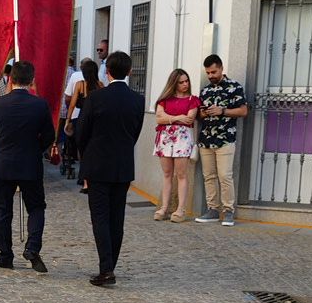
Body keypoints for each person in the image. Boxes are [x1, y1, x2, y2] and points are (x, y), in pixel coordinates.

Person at [75, 52, 145, 287]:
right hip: (123, 165)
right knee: (117, 218)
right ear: (130, 72)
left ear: (108, 72)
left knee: (100, 218)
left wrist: (87, 153)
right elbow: (135, 132)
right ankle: (110, 265)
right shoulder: (137, 100)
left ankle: (106, 268)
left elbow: (82, 132)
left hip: (97, 165)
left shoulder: (96, 98)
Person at [0, 60, 54, 273]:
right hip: (30, 165)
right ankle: (32, 247)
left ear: (11, 79)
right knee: (36, 208)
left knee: (3, 211)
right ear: (32, 81)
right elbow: (49, 136)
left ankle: (5, 254)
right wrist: (35, 148)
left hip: (3, 164)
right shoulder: (40, 105)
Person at [193, 54, 248, 225]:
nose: (211, 76)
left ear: (222, 68)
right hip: (206, 139)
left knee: (225, 176)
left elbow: (243, 111)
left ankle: (229, 211)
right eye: (208, 73)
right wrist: (203, 113)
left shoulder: (235, 87)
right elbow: (199, 115)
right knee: (208, 176)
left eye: (213, 72)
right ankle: (212, 210)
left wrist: (222, 111)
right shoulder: (205, 90)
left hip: (225, 138)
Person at [152, 67, 199, 221]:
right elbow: (159, 119)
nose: (185, 84)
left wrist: (168, 117)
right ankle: (164, 208)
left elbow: (190, 119)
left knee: (181, 174)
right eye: (181, 82)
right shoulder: (164, 99)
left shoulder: (193, 100)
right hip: (165, 138)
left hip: (182, 139)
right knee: (166, 174)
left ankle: (180, 210)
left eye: (186, 81)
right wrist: (178, 116)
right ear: (174, 83)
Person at [64, 59, 101, 180]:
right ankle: (92, 174)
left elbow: (72, 104)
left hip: (82, 119)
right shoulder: (100, 85)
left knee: (82, 147)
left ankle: (84, 177)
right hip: (96, 121)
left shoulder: (80, 84)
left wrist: (67, 120)